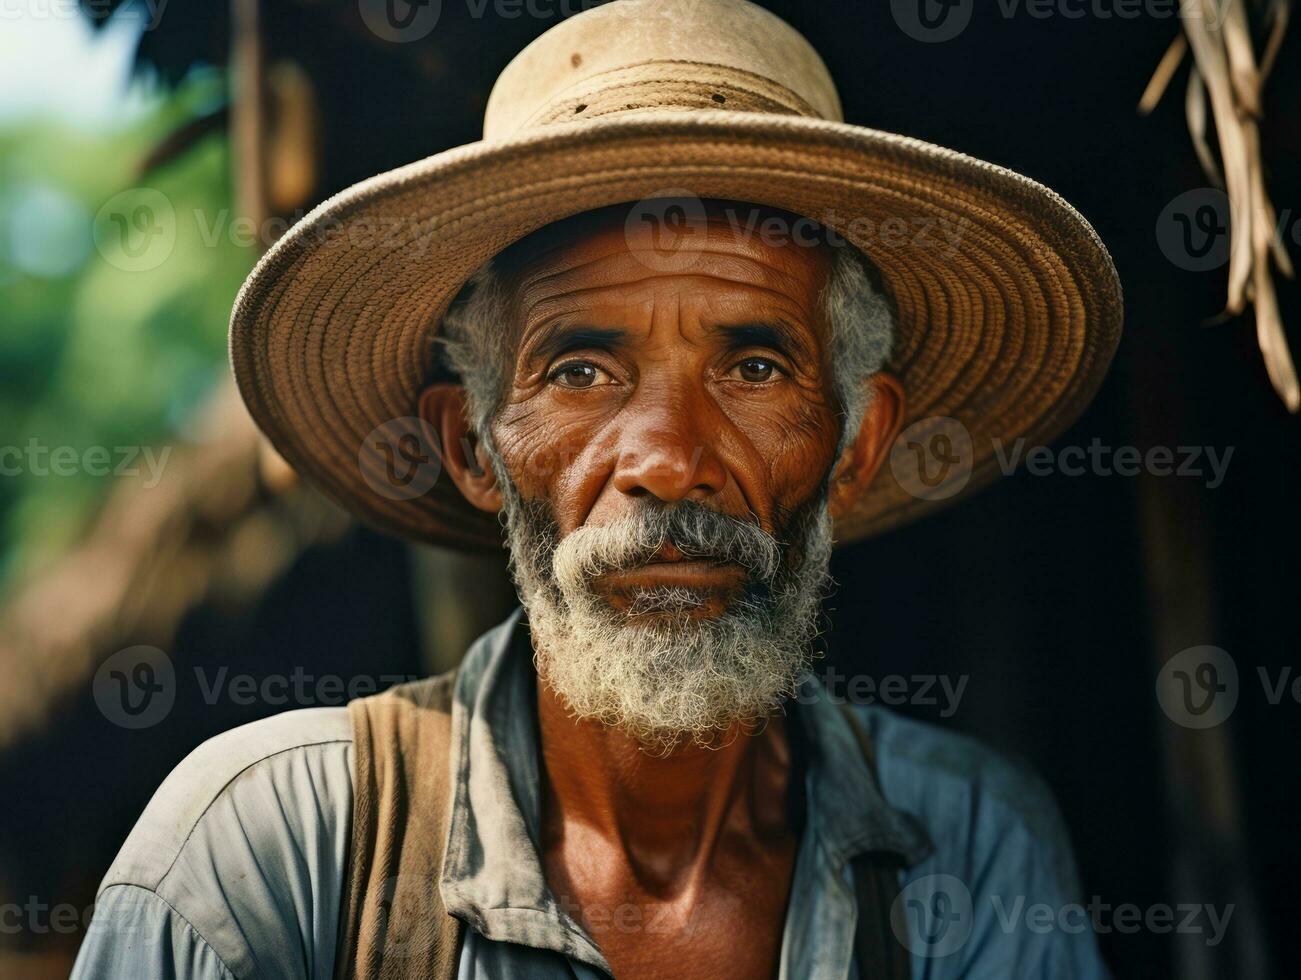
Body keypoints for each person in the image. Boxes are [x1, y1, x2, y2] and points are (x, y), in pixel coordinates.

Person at [75, 1, 1121, 976]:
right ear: (473, 448)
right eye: (579, 371)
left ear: (856, 438)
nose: (666, 459)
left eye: (753, 369)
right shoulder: (268, 852)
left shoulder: (973, 845)